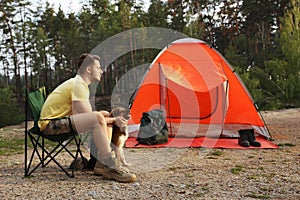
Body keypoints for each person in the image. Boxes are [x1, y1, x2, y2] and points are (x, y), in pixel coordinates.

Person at [38, 53, 137, 183]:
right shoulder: (78, 84)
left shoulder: (78, 84)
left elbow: (84, 115)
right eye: (99, 67)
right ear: (88, 69)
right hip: (51, 125)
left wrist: (108, 117)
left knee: (104, 114)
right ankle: (110, 165)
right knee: (98, 117)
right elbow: (91, 118)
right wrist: (114, 120)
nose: (102, 71)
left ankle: (99, 163)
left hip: (58, 122)